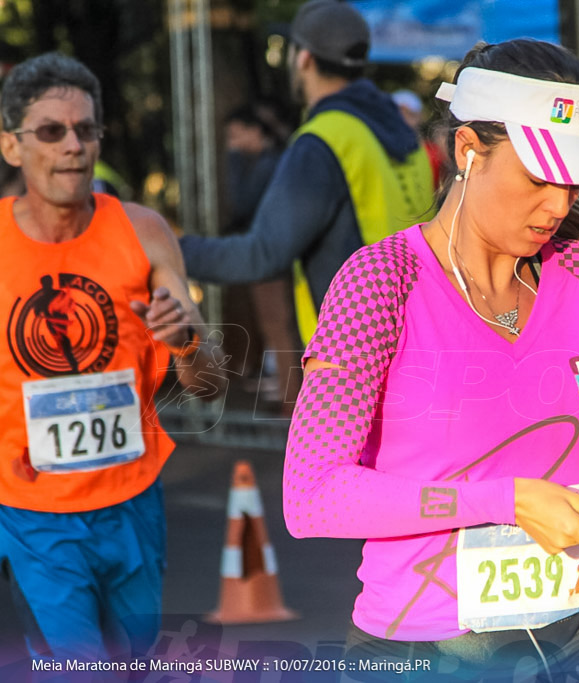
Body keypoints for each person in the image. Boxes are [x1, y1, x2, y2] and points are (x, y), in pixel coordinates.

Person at [283, 38, 579, 680]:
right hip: (420, 650)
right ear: (468, 152)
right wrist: (507, 500)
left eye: (573, 180)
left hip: (578, 641)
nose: (560, 205)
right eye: (537, 178)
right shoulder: (379, 281)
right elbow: (312, 495)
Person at [0, 53, 225, 662]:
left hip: (132, 504)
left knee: (133, 665)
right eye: (51, 131)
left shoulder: (143, 231)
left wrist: (187, 341)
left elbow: (208, 384)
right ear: (12, 146)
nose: (73, 145)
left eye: (86, 129)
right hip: (32, 516)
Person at [179, 0, 435, 344]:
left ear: (304, 58)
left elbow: (262, 255)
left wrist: (168, 248)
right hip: (418, 339)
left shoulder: (323, 141)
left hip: (354, 355)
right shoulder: (405, 136)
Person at [221, 101, 303, 408]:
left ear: (257, 131)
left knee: (277, 327)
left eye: (236, 135)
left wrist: (233, 160)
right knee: (278, 328)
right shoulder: (278, 160)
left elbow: (242, 203)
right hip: (275, 256)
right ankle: (288, 396)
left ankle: (290, 403)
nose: (234, 143)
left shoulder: (269, 165)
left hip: (270, 258)